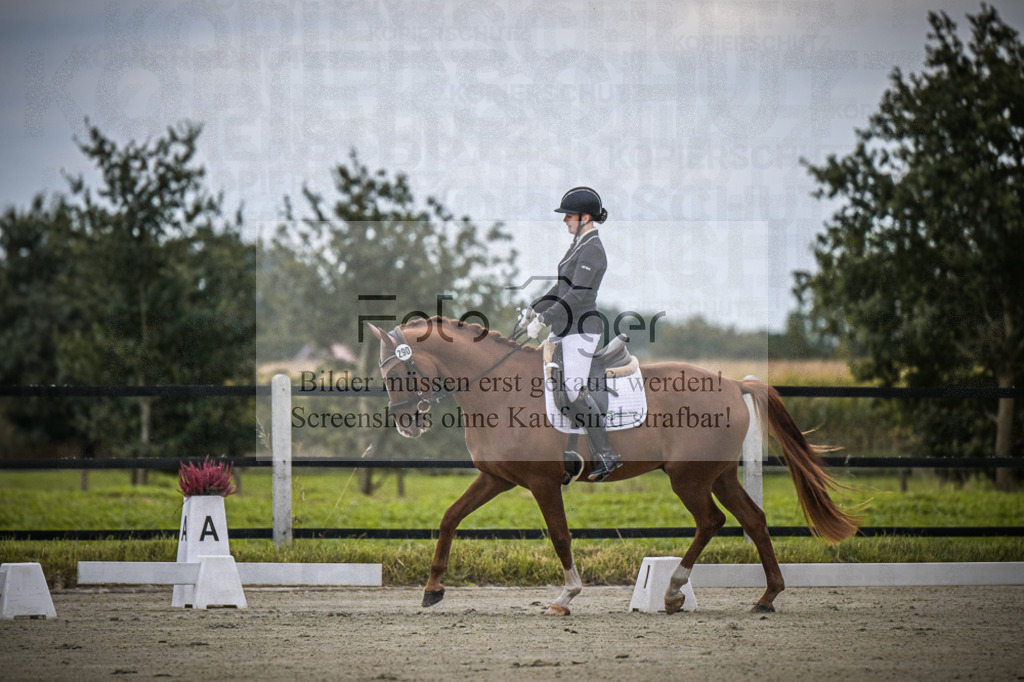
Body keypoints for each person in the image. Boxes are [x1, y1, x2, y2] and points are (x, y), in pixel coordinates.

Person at [518, 186, 622, 482]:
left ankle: (607, 454)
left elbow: (577, 295)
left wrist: (546, 318)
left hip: (582, 330)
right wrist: (533, 309)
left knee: (574, 390)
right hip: (564, 331)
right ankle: (565, 454)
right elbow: (560, 288)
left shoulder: (592, 249)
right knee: (543, 385)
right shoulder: (578, 245)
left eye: (569, 216)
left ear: (585, 217)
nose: (565, 220)